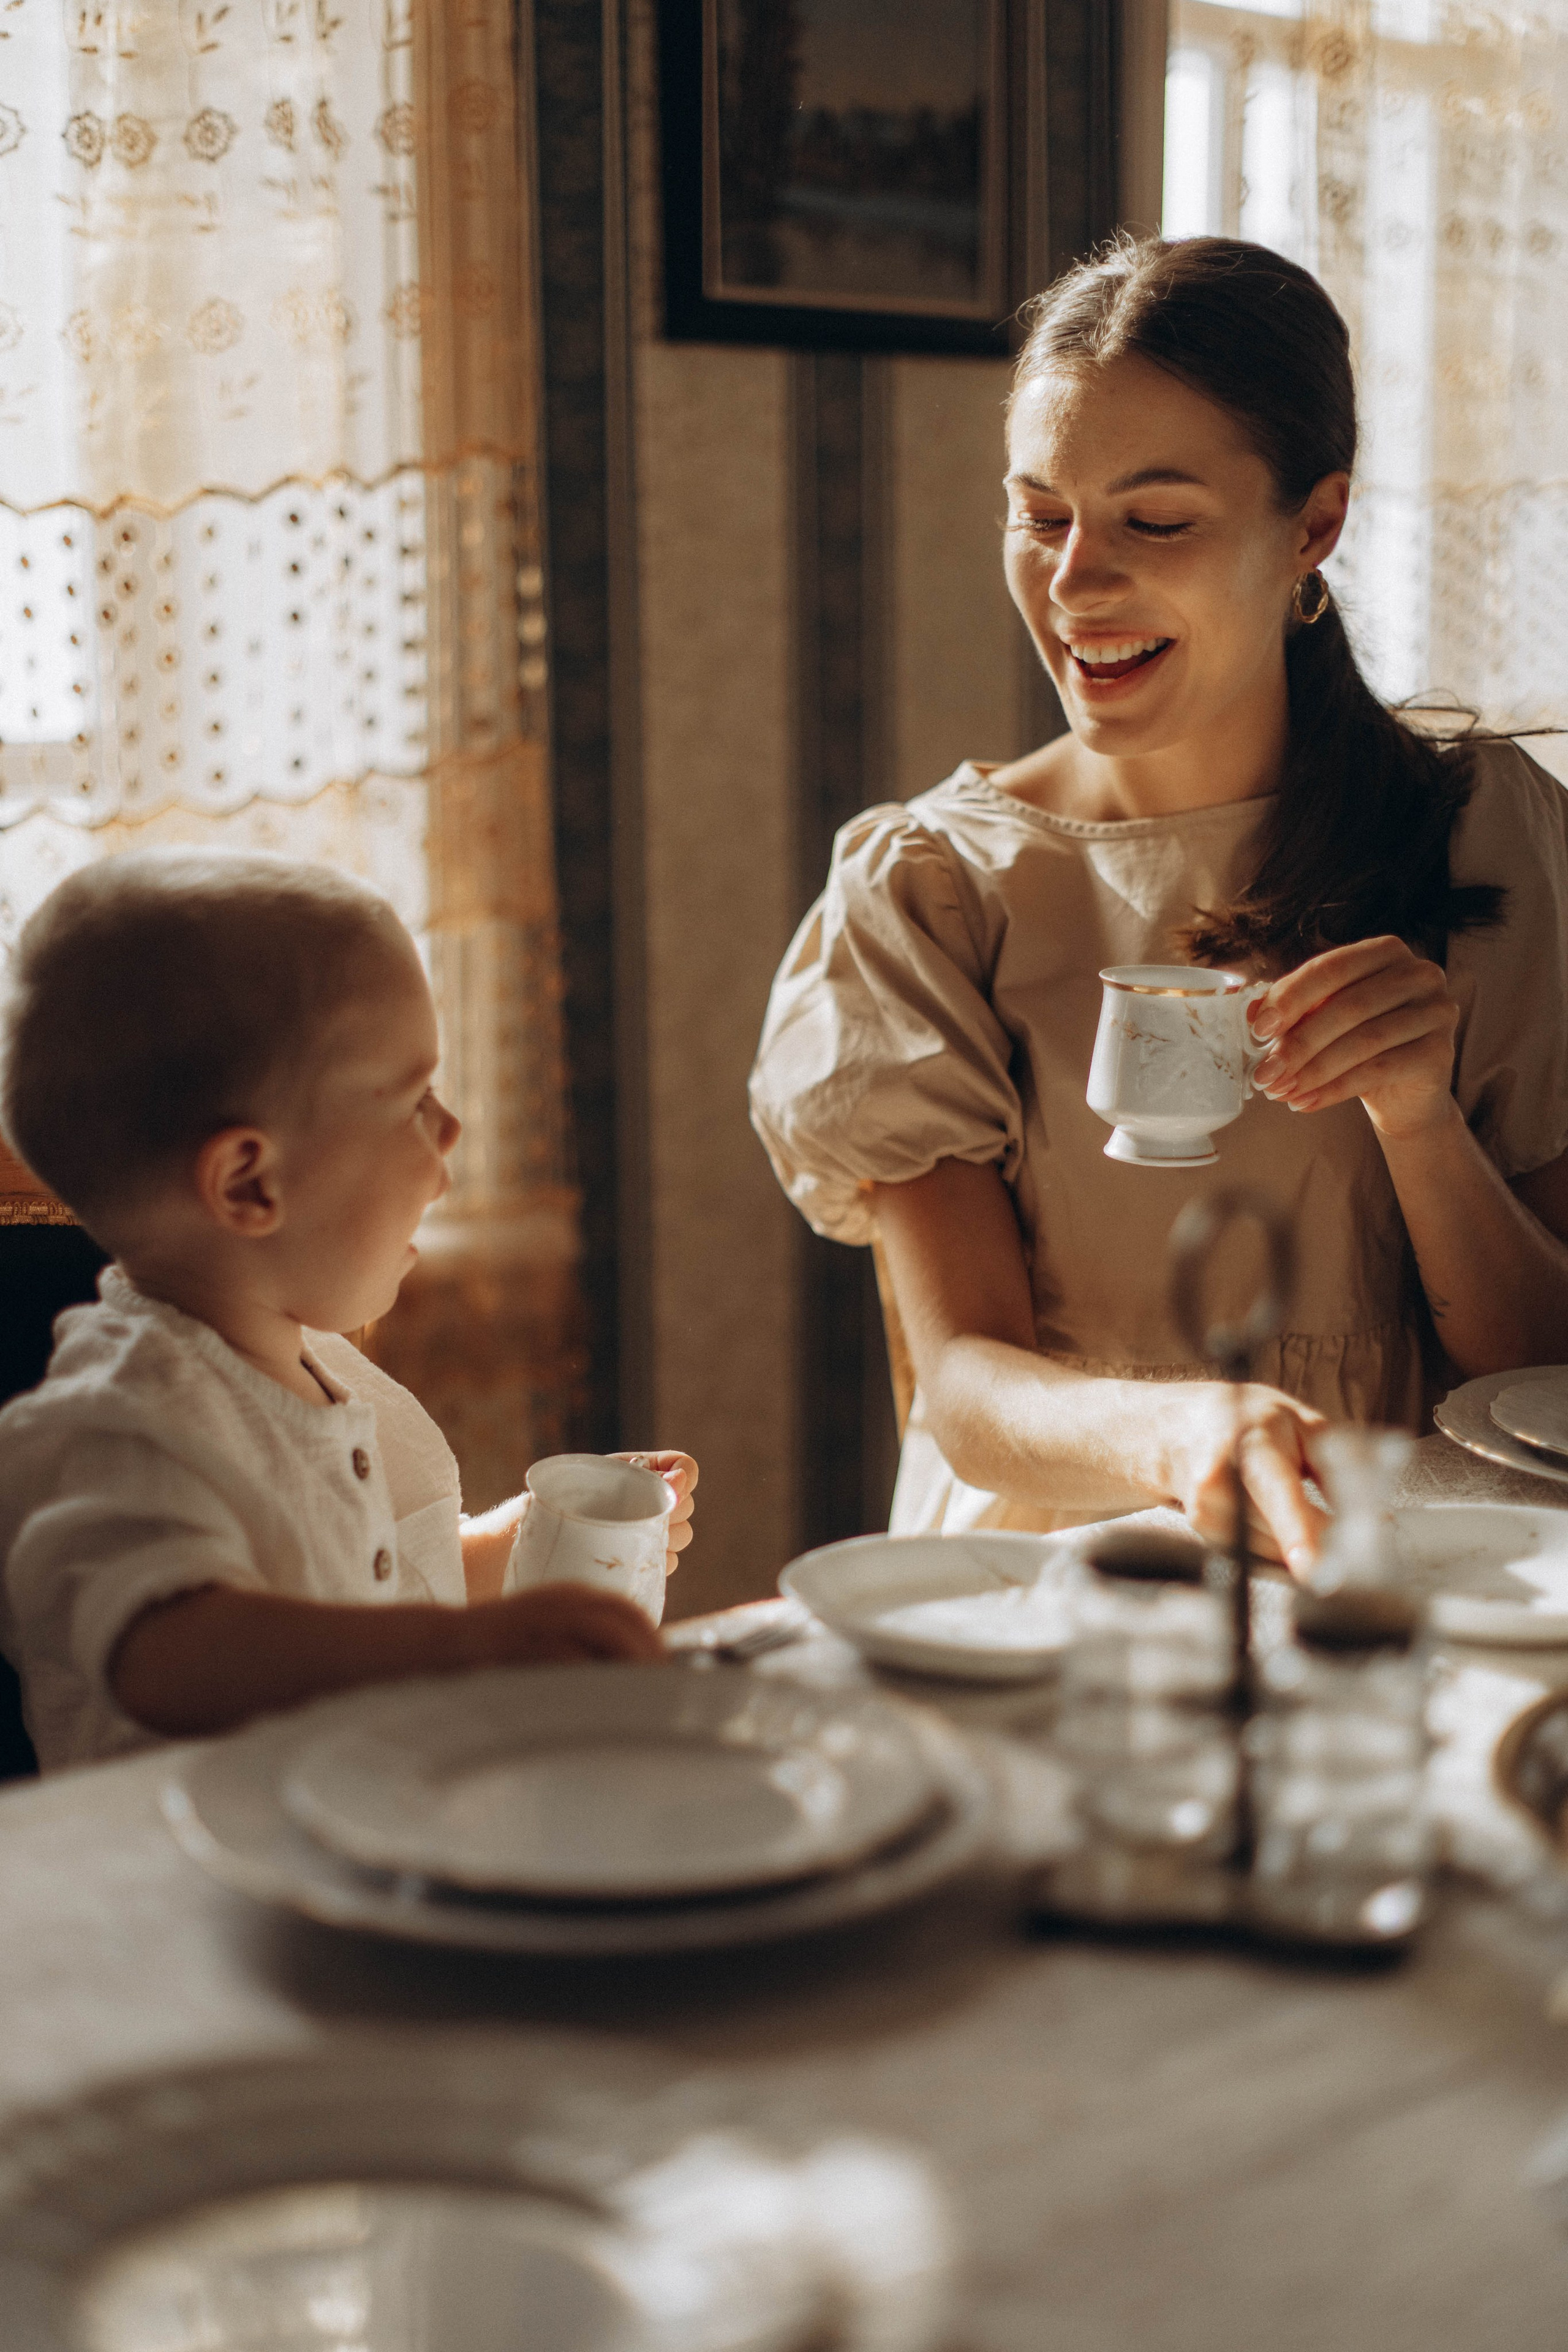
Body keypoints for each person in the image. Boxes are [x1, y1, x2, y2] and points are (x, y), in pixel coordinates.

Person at [750, 235, 1568, 1575]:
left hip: (1410, 1572)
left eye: (1156, 521)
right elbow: (962, 1389)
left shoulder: (1484, 832)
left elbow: (1541, 1372)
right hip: (1051, 1582)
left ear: (1312, 528)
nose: (1074, 582)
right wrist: (1181, 1437)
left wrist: (1420, 1123)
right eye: (1040, 515)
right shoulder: (928, 888)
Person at [0, 851, 696, 1770]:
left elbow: (372, 1593)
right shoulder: (123, 1420)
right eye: (415, 1101)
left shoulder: (309, 1359)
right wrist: (467, 1650)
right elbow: (171, 1652)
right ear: (249, 1184)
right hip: (200, 1857)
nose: (452, 1131)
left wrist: (532, 1539)